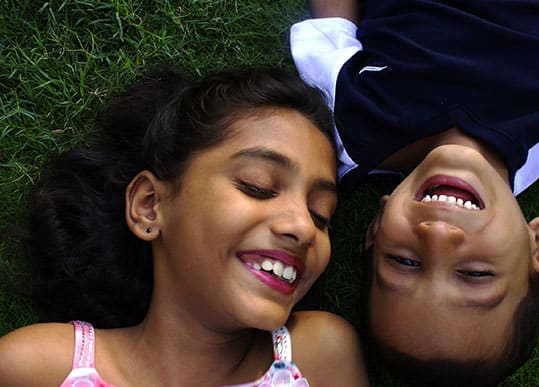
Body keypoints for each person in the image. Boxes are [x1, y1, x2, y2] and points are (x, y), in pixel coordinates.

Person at [290, 0, 539, 385]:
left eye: (404, 262)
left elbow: (332, 22)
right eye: (475, 273)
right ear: (538, 249)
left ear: (375, 228)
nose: (437, 235)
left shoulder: (350, 118)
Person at [0, 67, 369, 386]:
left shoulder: (319, 354)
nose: (304, 227)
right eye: (257, 187)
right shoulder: (39, 367)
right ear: (149, 205)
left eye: (322, 215)